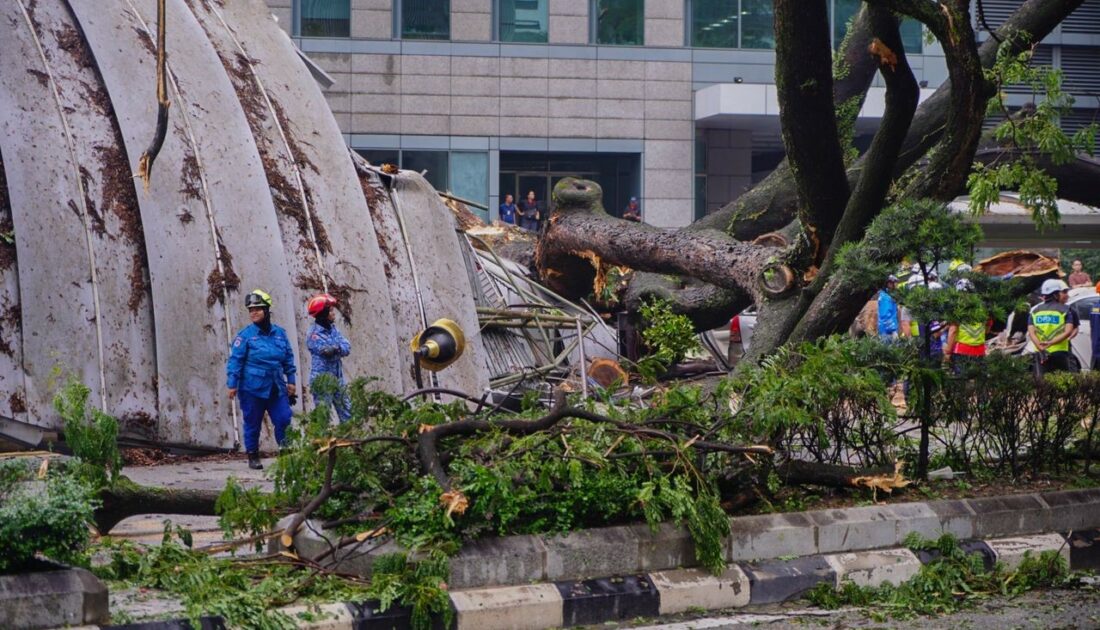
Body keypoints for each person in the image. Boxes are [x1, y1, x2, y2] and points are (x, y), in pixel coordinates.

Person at [226, 290, 297, 470]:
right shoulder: (246, 336)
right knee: (253, 422)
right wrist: (232, 384)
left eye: (257, 309)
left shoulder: (280, 333)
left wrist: (291, 380)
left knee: (283, 418)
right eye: (251, 310)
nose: (254, 313)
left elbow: (288, 358)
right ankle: (253, 455)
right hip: (252, 388)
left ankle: (286, 454)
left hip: (275, 387)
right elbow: (235, 360)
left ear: (266, 310)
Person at [306, 293, 352, 423]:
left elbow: (346, 347)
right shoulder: (313, 335)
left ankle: (351, 441)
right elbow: (327, 352)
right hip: (322, 382)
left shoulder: (333, 329)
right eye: (330, 310)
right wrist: (337, 349)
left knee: (348, 414)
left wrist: (337, 348)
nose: (333, 313)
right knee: (323, 418)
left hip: (338, 379)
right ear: (323, 313)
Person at [1028, 278, 1079, 375]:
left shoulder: (1035, 311)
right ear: (1056, 294)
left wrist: (1040, 346)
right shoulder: (1066, 310)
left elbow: (1031, 333)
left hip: (1040, 353)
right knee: (1064, 382)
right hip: (1060, 352)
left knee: (1043, 384)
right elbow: (1068, 331)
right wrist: (1050, 343)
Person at [943, 279, 990, 374]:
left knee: (961, 381)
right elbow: (988, 327)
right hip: (980, 350)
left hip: (962, 350)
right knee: (977, 380)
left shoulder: (958, 308)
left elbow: (953, 331)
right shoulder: (983, 308)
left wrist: (948, 352)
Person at [876, 275, 901, 340]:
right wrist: (892, 330)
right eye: (895, 283)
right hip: (887, 331)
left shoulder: (886, 296)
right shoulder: (885, 298)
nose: (896, 285)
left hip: (887, 330)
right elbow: (885, 315)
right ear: (889, 284)